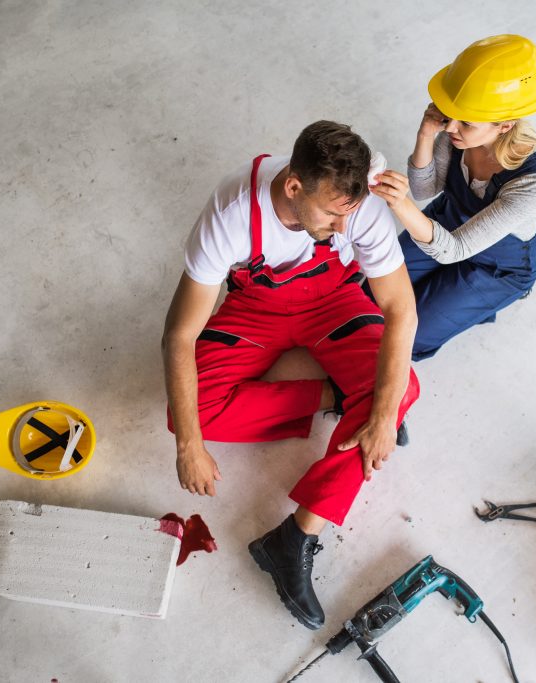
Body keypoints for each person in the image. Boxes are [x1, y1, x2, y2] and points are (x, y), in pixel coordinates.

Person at [161, 121, 419, 630]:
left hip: (335, 299)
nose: (344, 228)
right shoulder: (232, 214)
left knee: (400, 388)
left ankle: (296, 536)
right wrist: (189, 446)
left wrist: (385, 414)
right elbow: (179, 336)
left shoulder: (354, 200)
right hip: (258, 307)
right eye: (329, 214)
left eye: (349, 214)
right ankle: (340, 395)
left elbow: (401, 311)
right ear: (294, 187)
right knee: (187, 415)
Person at [371, 35, 536, 361]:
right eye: (451, 116)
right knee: (369, 297)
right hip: (447, 222)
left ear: (505, 125)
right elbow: (423, 190)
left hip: (497, 267)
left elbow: (455, 249)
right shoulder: (455, 132)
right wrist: (425, 134)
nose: (451, 127)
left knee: (407, 337)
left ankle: (479, 300)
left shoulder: (535, 181)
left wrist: (399, 204)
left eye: (466, 122)